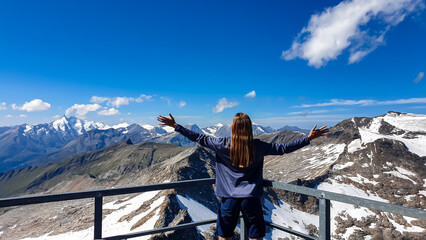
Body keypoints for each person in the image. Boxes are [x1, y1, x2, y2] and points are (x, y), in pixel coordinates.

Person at [157, 112, 328, 240]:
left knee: (224, 236)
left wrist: (176, 126)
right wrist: (308, 138)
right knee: (255, 235)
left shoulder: (222, 144)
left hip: (228, 198)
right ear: (249, 128)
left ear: (232, 128)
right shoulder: (258, 146)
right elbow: (283, 149)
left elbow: (199, 138)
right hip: (251, 198)